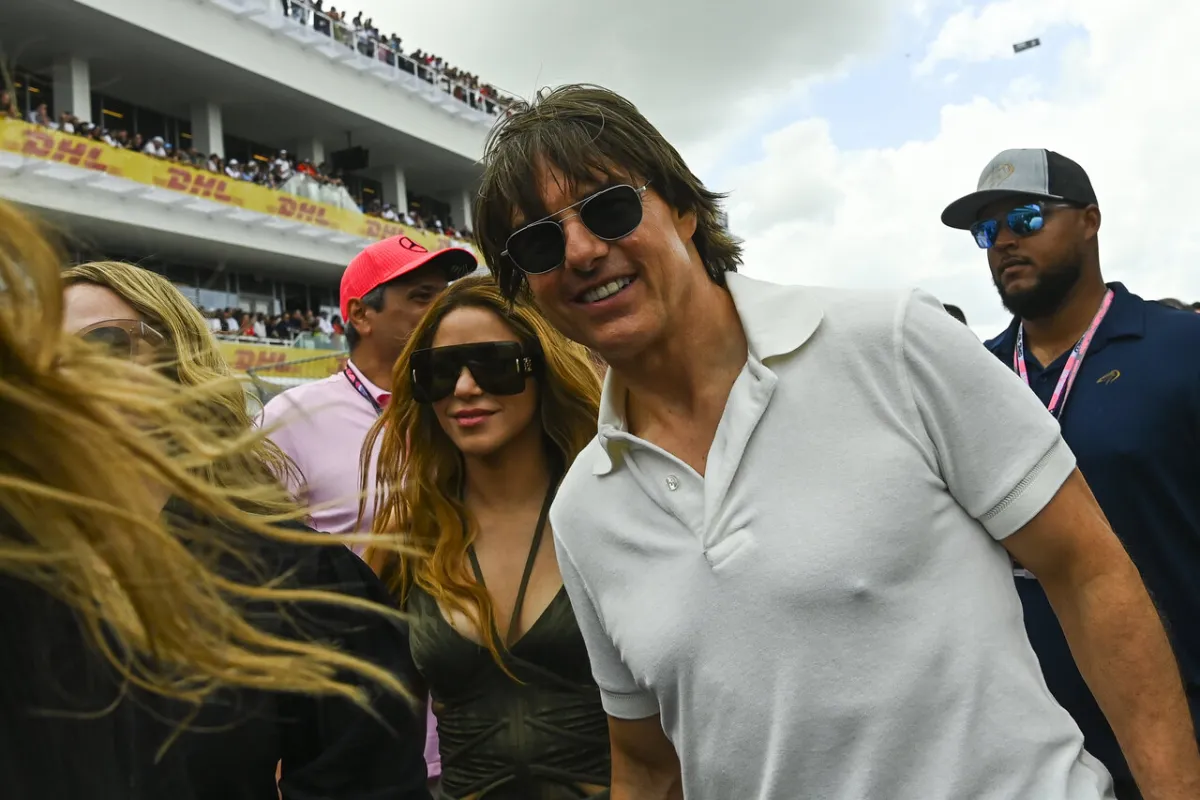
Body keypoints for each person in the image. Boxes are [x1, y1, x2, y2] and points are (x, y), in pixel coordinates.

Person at [469, 84, 1200, 800]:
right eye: (538, 244)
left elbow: (1088, 571)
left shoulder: (891, 341)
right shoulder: (584, 511)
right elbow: (649, 765)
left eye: (609, 208)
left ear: (684, 209)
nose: (582, 251)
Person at [0, 204, 417, 797]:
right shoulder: (18, 577)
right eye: (39, 364)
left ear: (178, 361)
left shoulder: (306, 584)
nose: (66, 376)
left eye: (104, 345)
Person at [942, 149, 1200, 800]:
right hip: (1038, 750)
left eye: (1024, 218)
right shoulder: (970, 380)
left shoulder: (1182, 349)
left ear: (1089, 221)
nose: (1002, 242)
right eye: (987, 231)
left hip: (1184, 726)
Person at [363, 275, 611, 800]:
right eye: (439, 371)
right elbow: (376, 733)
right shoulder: (407, 534)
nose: (464, 388)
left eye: (493, 363)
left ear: (541, 369)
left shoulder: (617, 510)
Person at [261, 235, 475, 788]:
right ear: (361, 314)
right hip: (360, 739)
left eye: (444, 295)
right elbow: (263, 579)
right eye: (422, 296)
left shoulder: (470, 402)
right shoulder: (292, 416)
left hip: (479, 726)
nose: (441, 310)